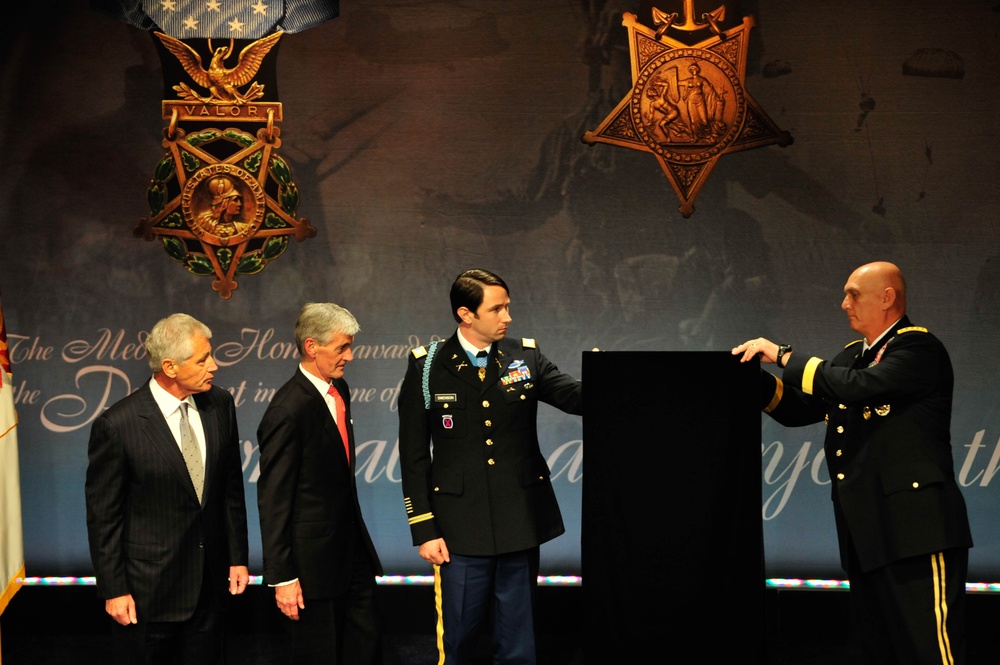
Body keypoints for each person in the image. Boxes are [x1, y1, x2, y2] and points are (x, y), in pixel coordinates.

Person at [732, 261, 973, 664]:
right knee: (882, 650)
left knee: (931, 650)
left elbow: (858, 388)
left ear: (887, 298)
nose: (844, 303)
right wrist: (751, 375)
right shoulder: (853, 356)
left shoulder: (917, 348)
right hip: (867, 534)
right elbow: (799, 407)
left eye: (853, 294)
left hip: (917, 532)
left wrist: (783, 355)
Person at [398, 268, 583, 664]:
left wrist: (612, 378)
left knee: (518, 642)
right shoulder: (427, 366)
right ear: (466, 314)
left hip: (519, 519)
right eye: (497, 308)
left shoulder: (524, 356)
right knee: (459, 638)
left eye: (508, 306)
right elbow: (413, 456)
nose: (507, 317)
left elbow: (575, 397)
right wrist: (424, 528)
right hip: (458, 529)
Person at [85, 313, 249, 665]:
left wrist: (237, 556)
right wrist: (114, 589)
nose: (215, 366)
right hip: (148, 597)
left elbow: (230, 489)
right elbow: (104, 518)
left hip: (211, 588)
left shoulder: (220, 404)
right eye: (203, 359)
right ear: (170, 366)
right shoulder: (118, 425)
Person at [257, 302, 383, 664]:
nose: (350, 356)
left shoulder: (338, 390)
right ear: (312, 347)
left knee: (366, 647)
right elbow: (273, 497)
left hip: (352, 552)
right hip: (311, 567)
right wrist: (281, 576)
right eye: (342, 347)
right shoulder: (288, 410)